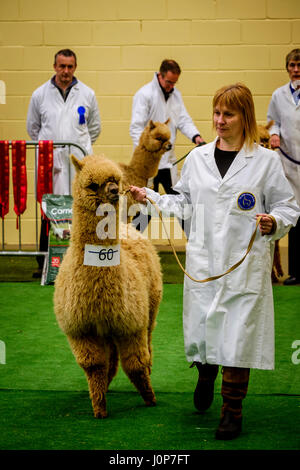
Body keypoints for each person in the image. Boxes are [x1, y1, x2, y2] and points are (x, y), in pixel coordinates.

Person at [130, 83, 300, 440]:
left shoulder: (266, 162)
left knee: (238, 336)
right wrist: (149, 197)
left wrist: (274, 221)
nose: (220, 121)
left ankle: (232, 409)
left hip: (245, 262)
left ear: (245, 117)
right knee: (206, 331)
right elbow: (184, 203)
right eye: (217, 113)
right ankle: (206, 375)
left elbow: (288, 205)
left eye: (229, 114)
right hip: (205, 262)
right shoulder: (198, 158)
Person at [26, 49, 101, 275]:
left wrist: (79, 148)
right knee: (50, 209)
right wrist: (50, 148)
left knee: (80, 209)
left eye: (69, 66)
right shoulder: (40, 94)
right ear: (54, 66)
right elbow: (33, 128)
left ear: (75, 68)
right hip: (52, 162)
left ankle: (81, 261)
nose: (65, 71)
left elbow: (94, 129)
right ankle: (45, 262)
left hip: (78, 163)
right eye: (61, 66)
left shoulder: (87, 94)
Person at [130, 59, 205, 195]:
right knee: (144, 208)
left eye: (174, 82)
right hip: (148, 163)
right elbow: (136, 128)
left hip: (167, 161)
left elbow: (183, 120)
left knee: (179, 202)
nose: (171, 86)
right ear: (160, 75)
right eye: (169, 82)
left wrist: (196, 137)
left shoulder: (176, 96)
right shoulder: (144, 94)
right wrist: (146, 152)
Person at [267, 48, 300, 285]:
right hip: (288, 163)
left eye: (299, 66)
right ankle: (296, 272)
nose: (296, 70)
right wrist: (275, 134)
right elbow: (273, 122)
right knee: (295, 217)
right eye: (292, 65)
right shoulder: (278, 95)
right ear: (287, 67)